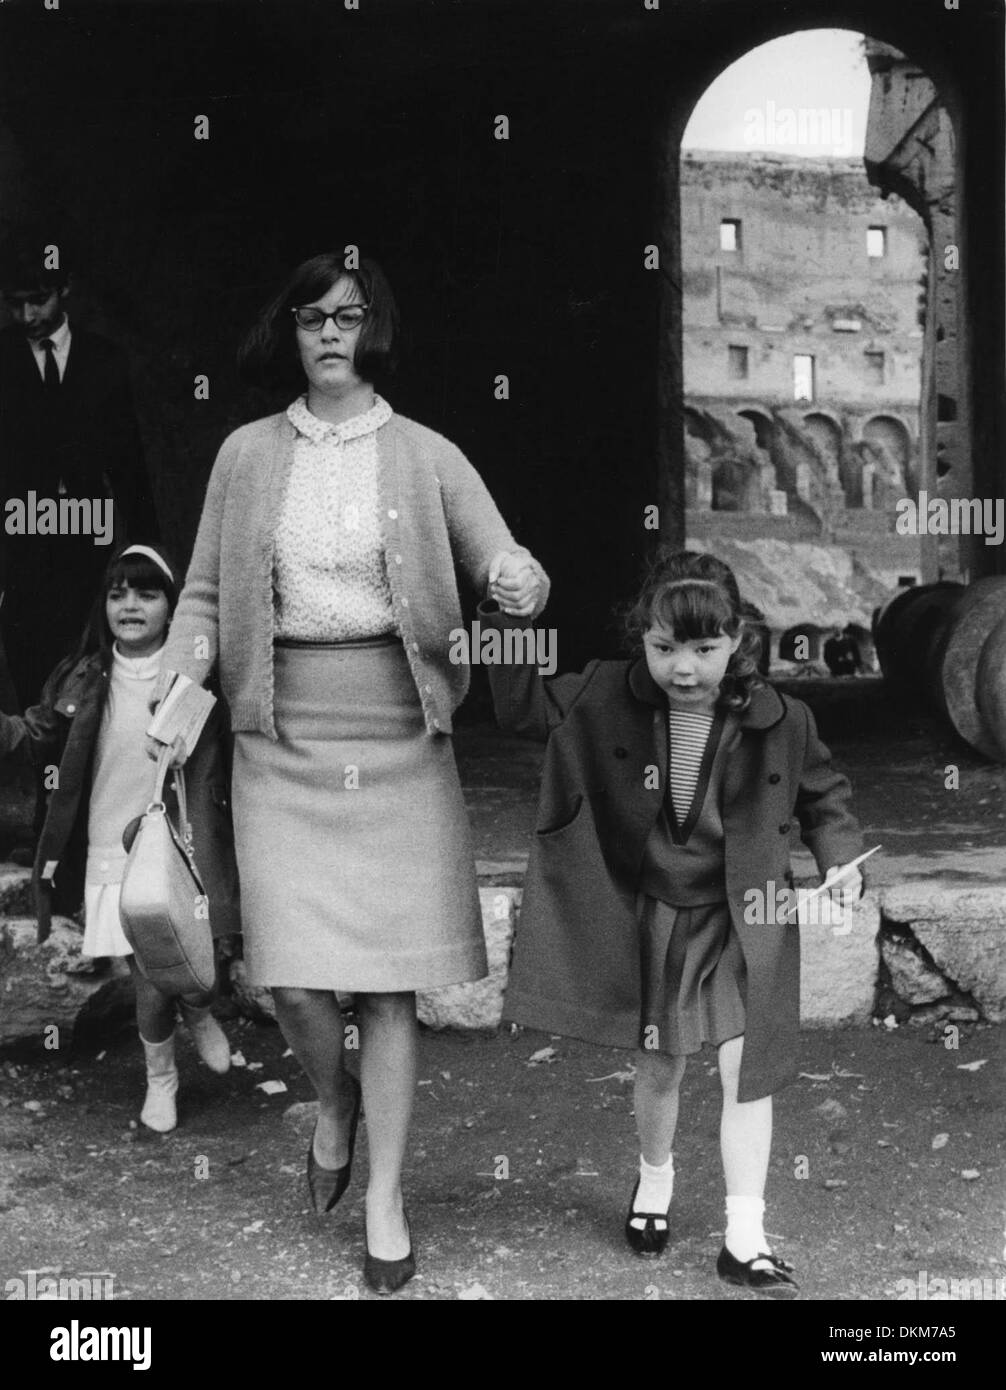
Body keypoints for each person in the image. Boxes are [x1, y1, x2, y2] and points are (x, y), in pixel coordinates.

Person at [156, 252, 549, 1294]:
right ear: (288, 332)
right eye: (311, 317)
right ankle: (332, 1099)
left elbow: (503, 557)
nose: (330, 332)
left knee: (387, 986)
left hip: (398, 735)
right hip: (278, 734)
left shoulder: (426, 454)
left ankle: (385, 1194)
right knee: (288, 970)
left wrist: (514, 580)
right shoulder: (244, 455)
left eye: (348, 315)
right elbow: (200, 598)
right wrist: (175, 687)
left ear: (373, 329)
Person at [483, 549, 865, 1296]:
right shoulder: (601, 693)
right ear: (642, 638)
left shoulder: (784, 720)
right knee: (661, 1064)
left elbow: (825, 795)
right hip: (654, 910)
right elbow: (519, 707)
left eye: (704, 648)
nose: (683, 667)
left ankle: (745, 1236)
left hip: (743, 914)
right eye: (664, 648)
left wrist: (841, 858)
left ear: (739, 642)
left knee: (747, 1073)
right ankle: (653, 1180)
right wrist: (506, 619)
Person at [0, 542, 239, 1133]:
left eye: (147, 593)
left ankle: (200, 1008)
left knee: (195, 959)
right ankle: (162, 1079)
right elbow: (36, 735)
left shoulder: (197, 675)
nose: (130, 604)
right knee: (151, 972)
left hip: (182, 840)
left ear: (173, 605)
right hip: (116, 846)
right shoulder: (82, 674)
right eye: (117, 593)